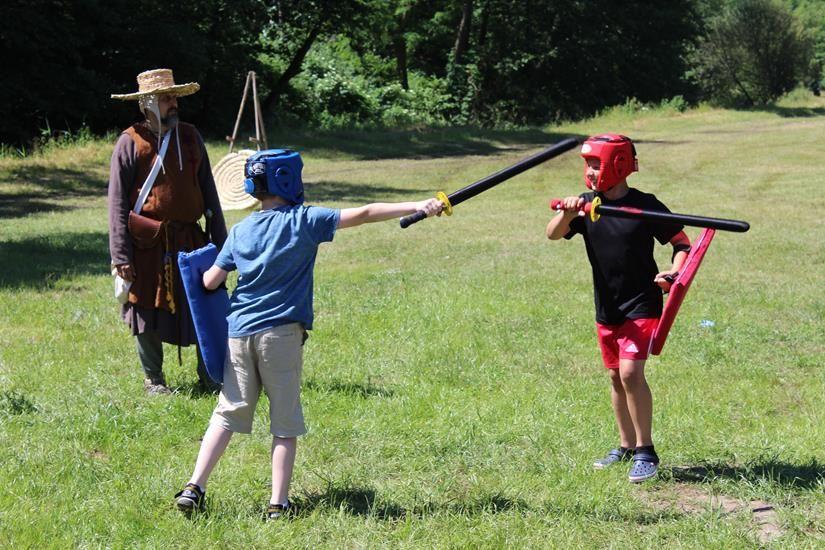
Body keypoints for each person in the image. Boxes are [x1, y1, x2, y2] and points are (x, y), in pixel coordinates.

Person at [174, 149, 443, 518]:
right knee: (284, 424)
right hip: (280, 336)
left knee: (226, 413)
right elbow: (364, 213)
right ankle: (277, 505)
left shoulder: (240, 231)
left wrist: (203, 266)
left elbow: (209, 281)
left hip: (238, 335)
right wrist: (420, 205)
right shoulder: (305, 221)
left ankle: (195, 486)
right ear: (290, 180)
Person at [546, 134, 691, 483]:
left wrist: (673, 271)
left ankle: (646, 451)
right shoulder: (586, 205)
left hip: (641, 301)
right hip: (606, 304)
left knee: (630, 374)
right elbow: (552, 234)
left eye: (597, 165)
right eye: (587, 166)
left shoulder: (645, 205)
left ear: (619, 166)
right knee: (614, 376)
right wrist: (568, 213)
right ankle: (626, 446)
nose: (591, 173)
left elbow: (681, 242)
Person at [108, 69, 227, 395]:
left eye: (174, 97)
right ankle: (154, 381)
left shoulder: (190, 137)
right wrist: (120, 255)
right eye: (165, 99)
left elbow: (209, 193)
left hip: (192, 241)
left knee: (206, 305)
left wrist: (223, 246)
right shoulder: (130, 142)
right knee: (144, 307)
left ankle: (212, 376)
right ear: (147, 103)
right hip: (148, 244)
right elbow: (117, 204)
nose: (173, 104)